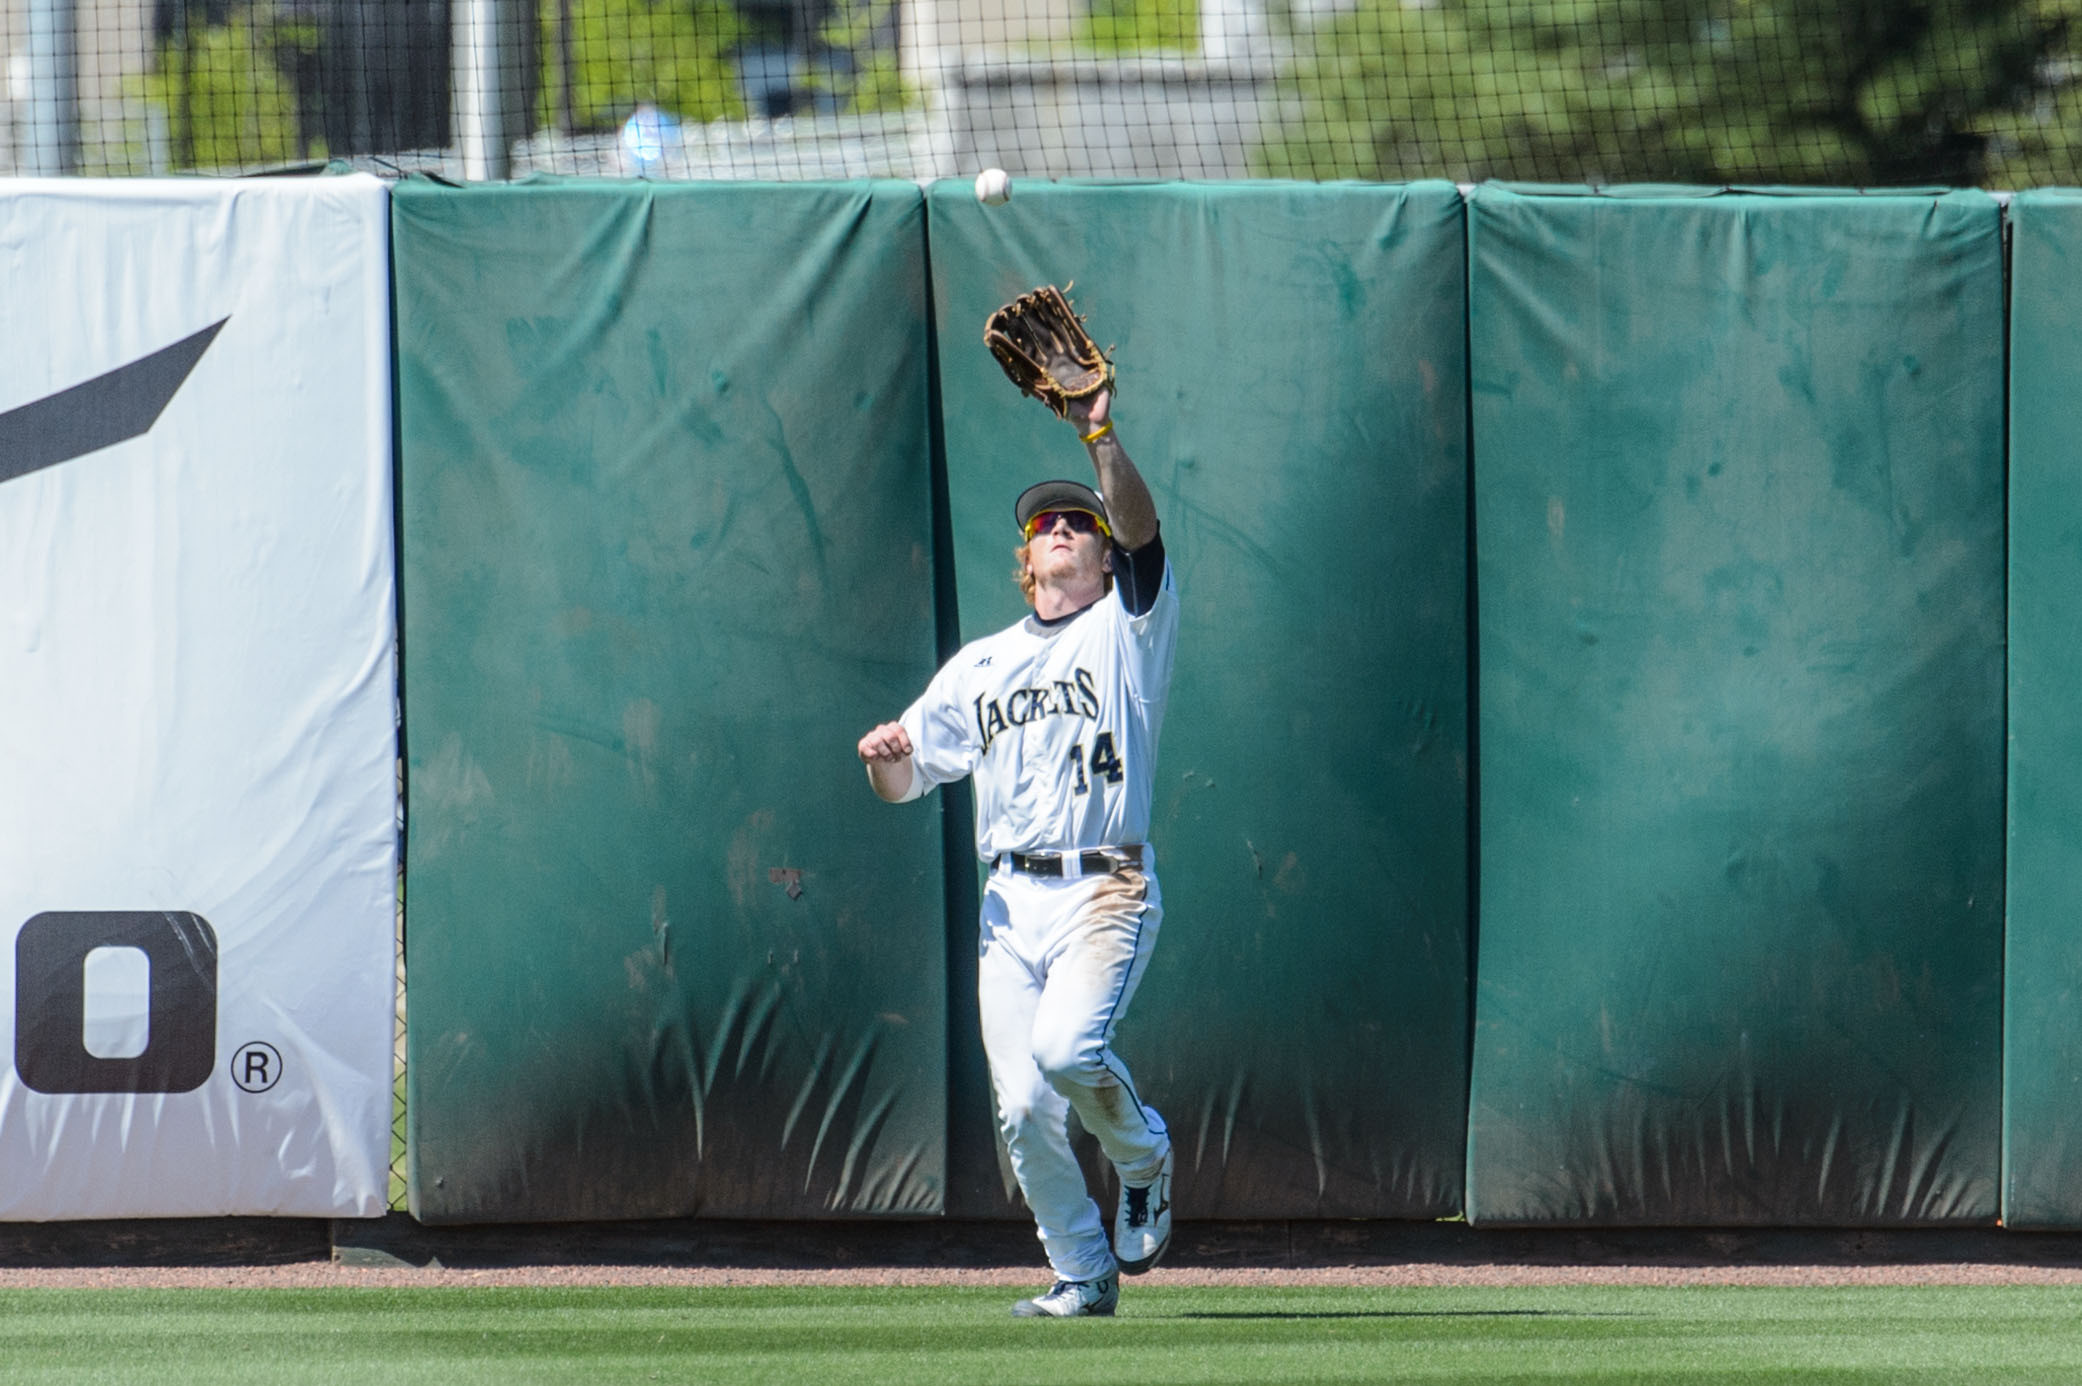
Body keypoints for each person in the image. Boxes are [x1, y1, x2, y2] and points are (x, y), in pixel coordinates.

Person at [856, 385, 1177, 1318]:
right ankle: (1083, 1271)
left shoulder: (1130, 633)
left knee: (1070, 1051)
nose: (1062, 529)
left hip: (1103, 886)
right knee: (1025, 1109)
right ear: (1026, 555)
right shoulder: (981, 666)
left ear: (1105, 553)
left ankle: (1144, 1157)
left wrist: (1101, 436)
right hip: (1010, 905)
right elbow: (908, 780)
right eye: (1047, 524)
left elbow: (1148, 535)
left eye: (1080, 520)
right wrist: (885, 760)